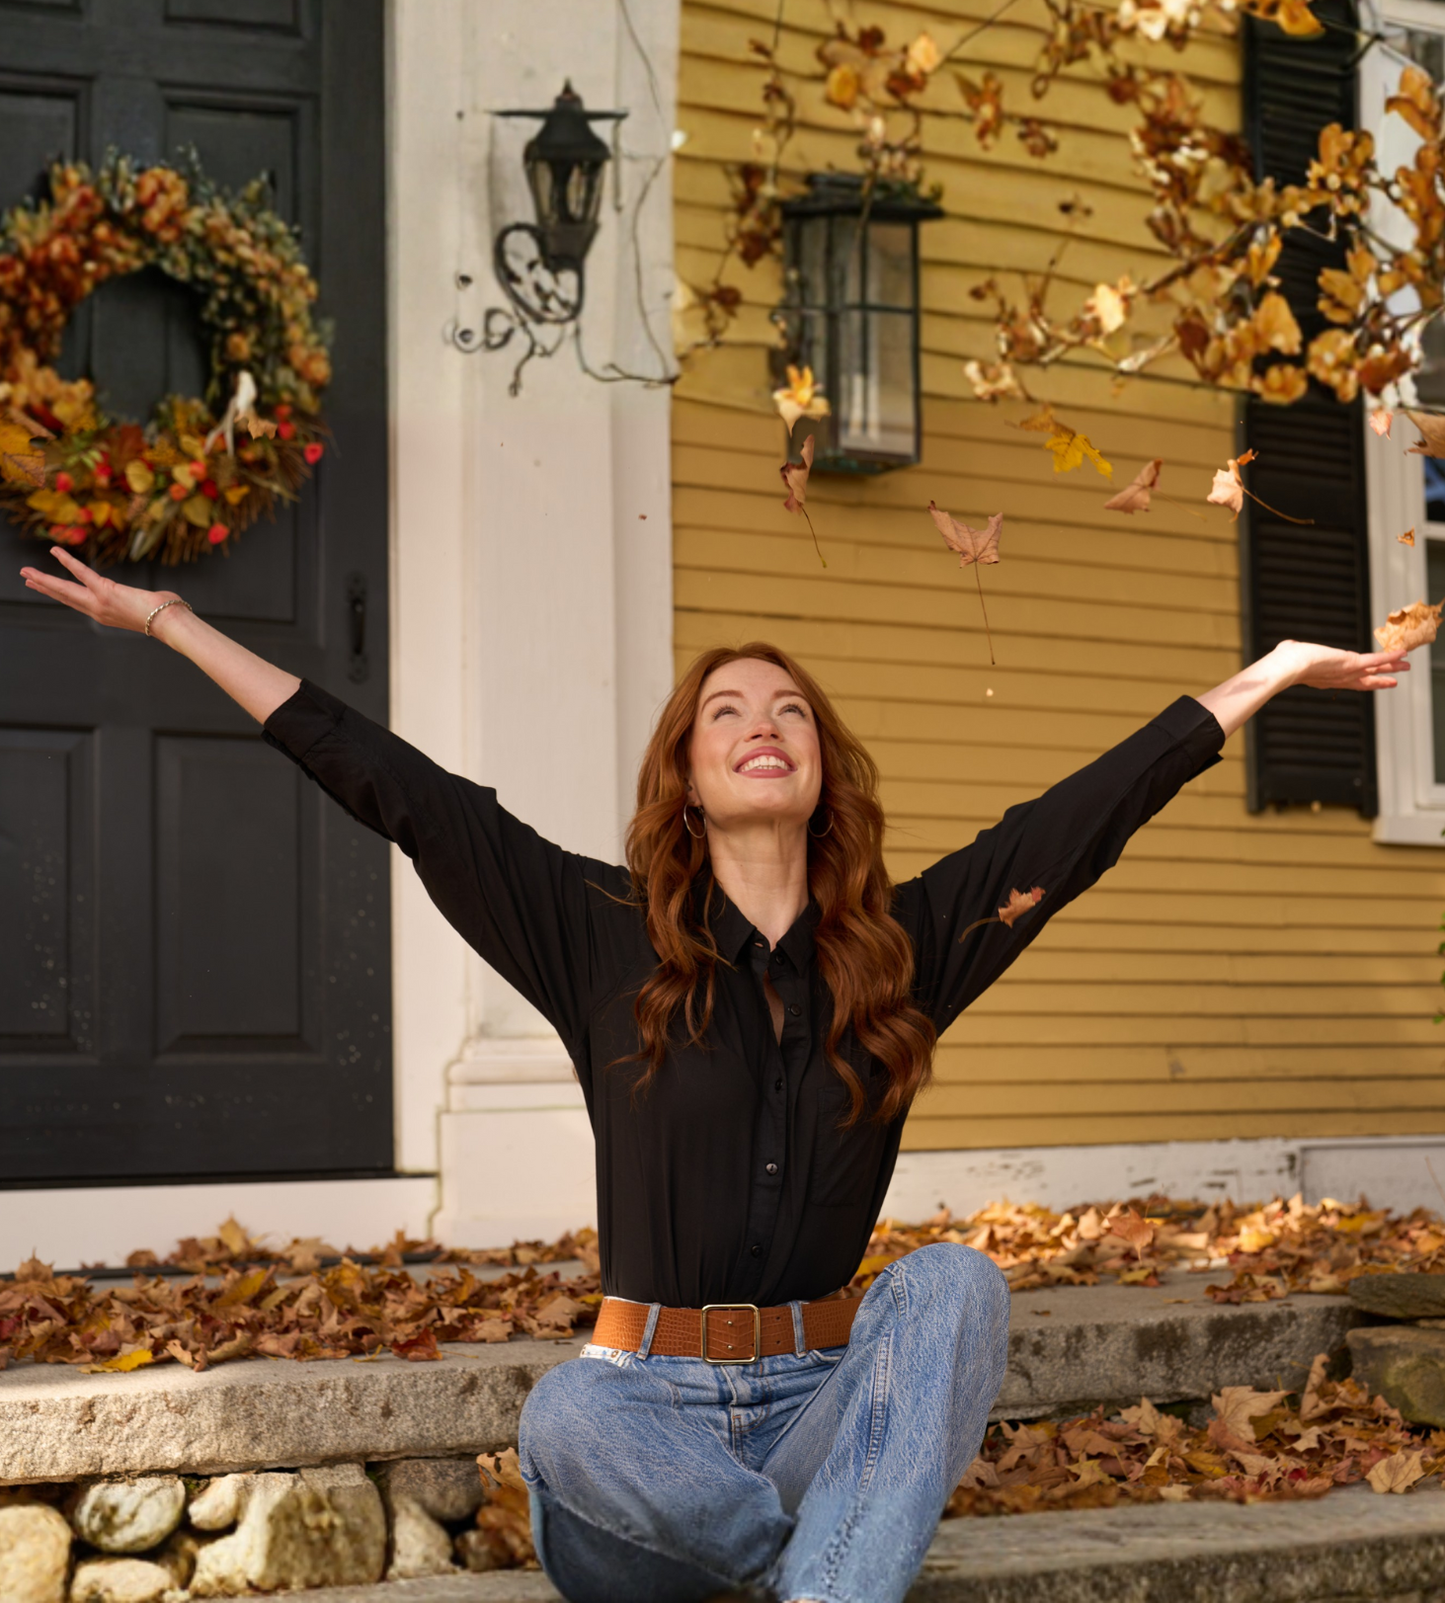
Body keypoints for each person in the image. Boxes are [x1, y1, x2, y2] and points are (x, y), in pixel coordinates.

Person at [20, 544, 1411, 1603]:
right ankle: (832, 1567)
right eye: (728, 709)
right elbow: (395, 786)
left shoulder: (901, 951)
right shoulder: (593, 933)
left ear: (821, 767)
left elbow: (1080, 820)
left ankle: (816, 1571)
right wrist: (174, 620)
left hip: (820, 1407)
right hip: (642, 1446)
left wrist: (1270, 673)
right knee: (564, 1409)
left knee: (953, 1282)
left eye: (790, 709)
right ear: (686, 773)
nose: (764, 721)